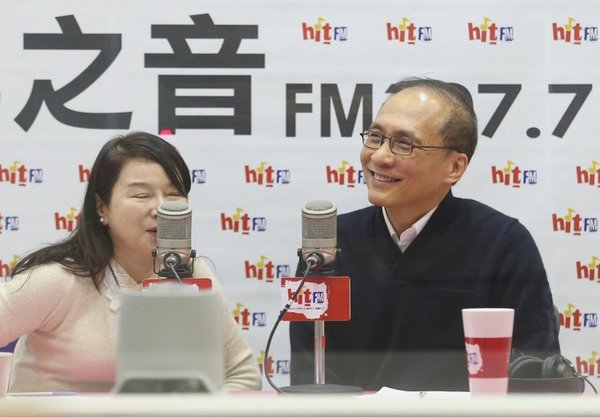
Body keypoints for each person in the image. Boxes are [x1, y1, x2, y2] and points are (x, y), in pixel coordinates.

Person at [289, 78, 560, 392]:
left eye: (404, 144)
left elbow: (538, 374)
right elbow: (309, 376)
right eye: (375, 137)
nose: (380, 157)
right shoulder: (329, 246)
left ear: (454, 167)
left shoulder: (503, 243)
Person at [0, 132, 262, 393]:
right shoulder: (57, 280)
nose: (160, 209)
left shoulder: (191, 274)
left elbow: (244, 375)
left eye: (173, 194)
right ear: (102, 208)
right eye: (141, 195)